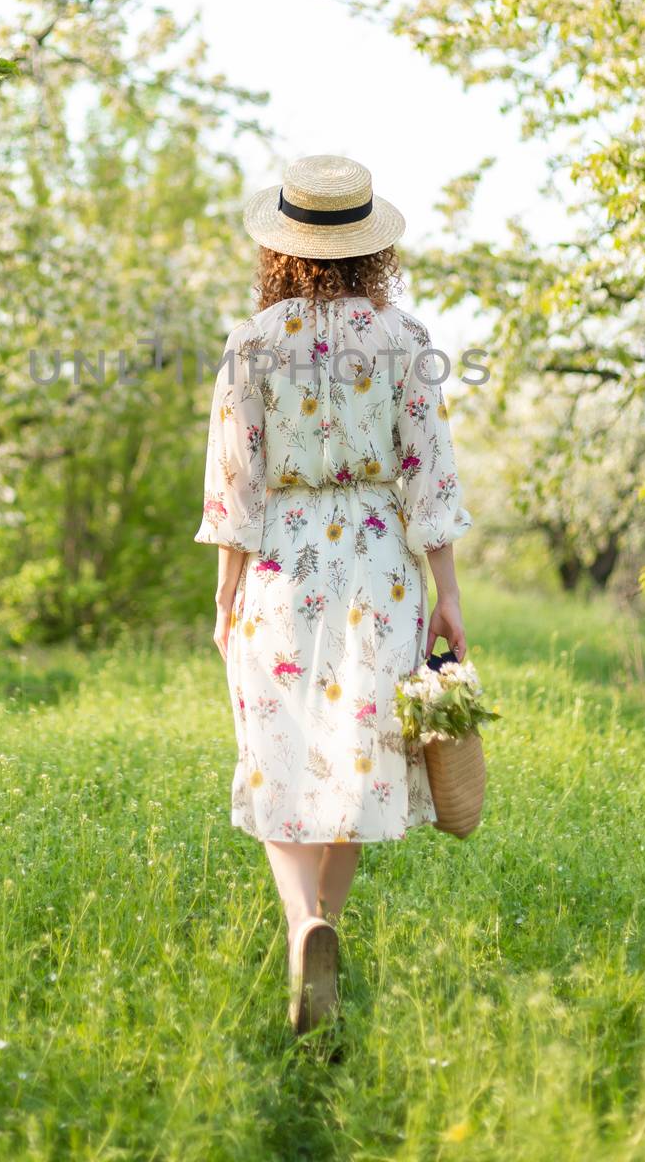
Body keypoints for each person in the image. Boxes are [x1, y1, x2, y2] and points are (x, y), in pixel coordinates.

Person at [194, 153, 472, 1035]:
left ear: (281, 245)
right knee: (355, 753)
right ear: (369, 249)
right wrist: (447, 595)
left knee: (277, 745)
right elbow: (429, 473)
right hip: (378, 568)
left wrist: (224, 593)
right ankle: (330, 929)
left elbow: (233, 482)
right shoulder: (404, 340)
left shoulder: (252, 342)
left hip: (279, 561)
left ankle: (299, 927)